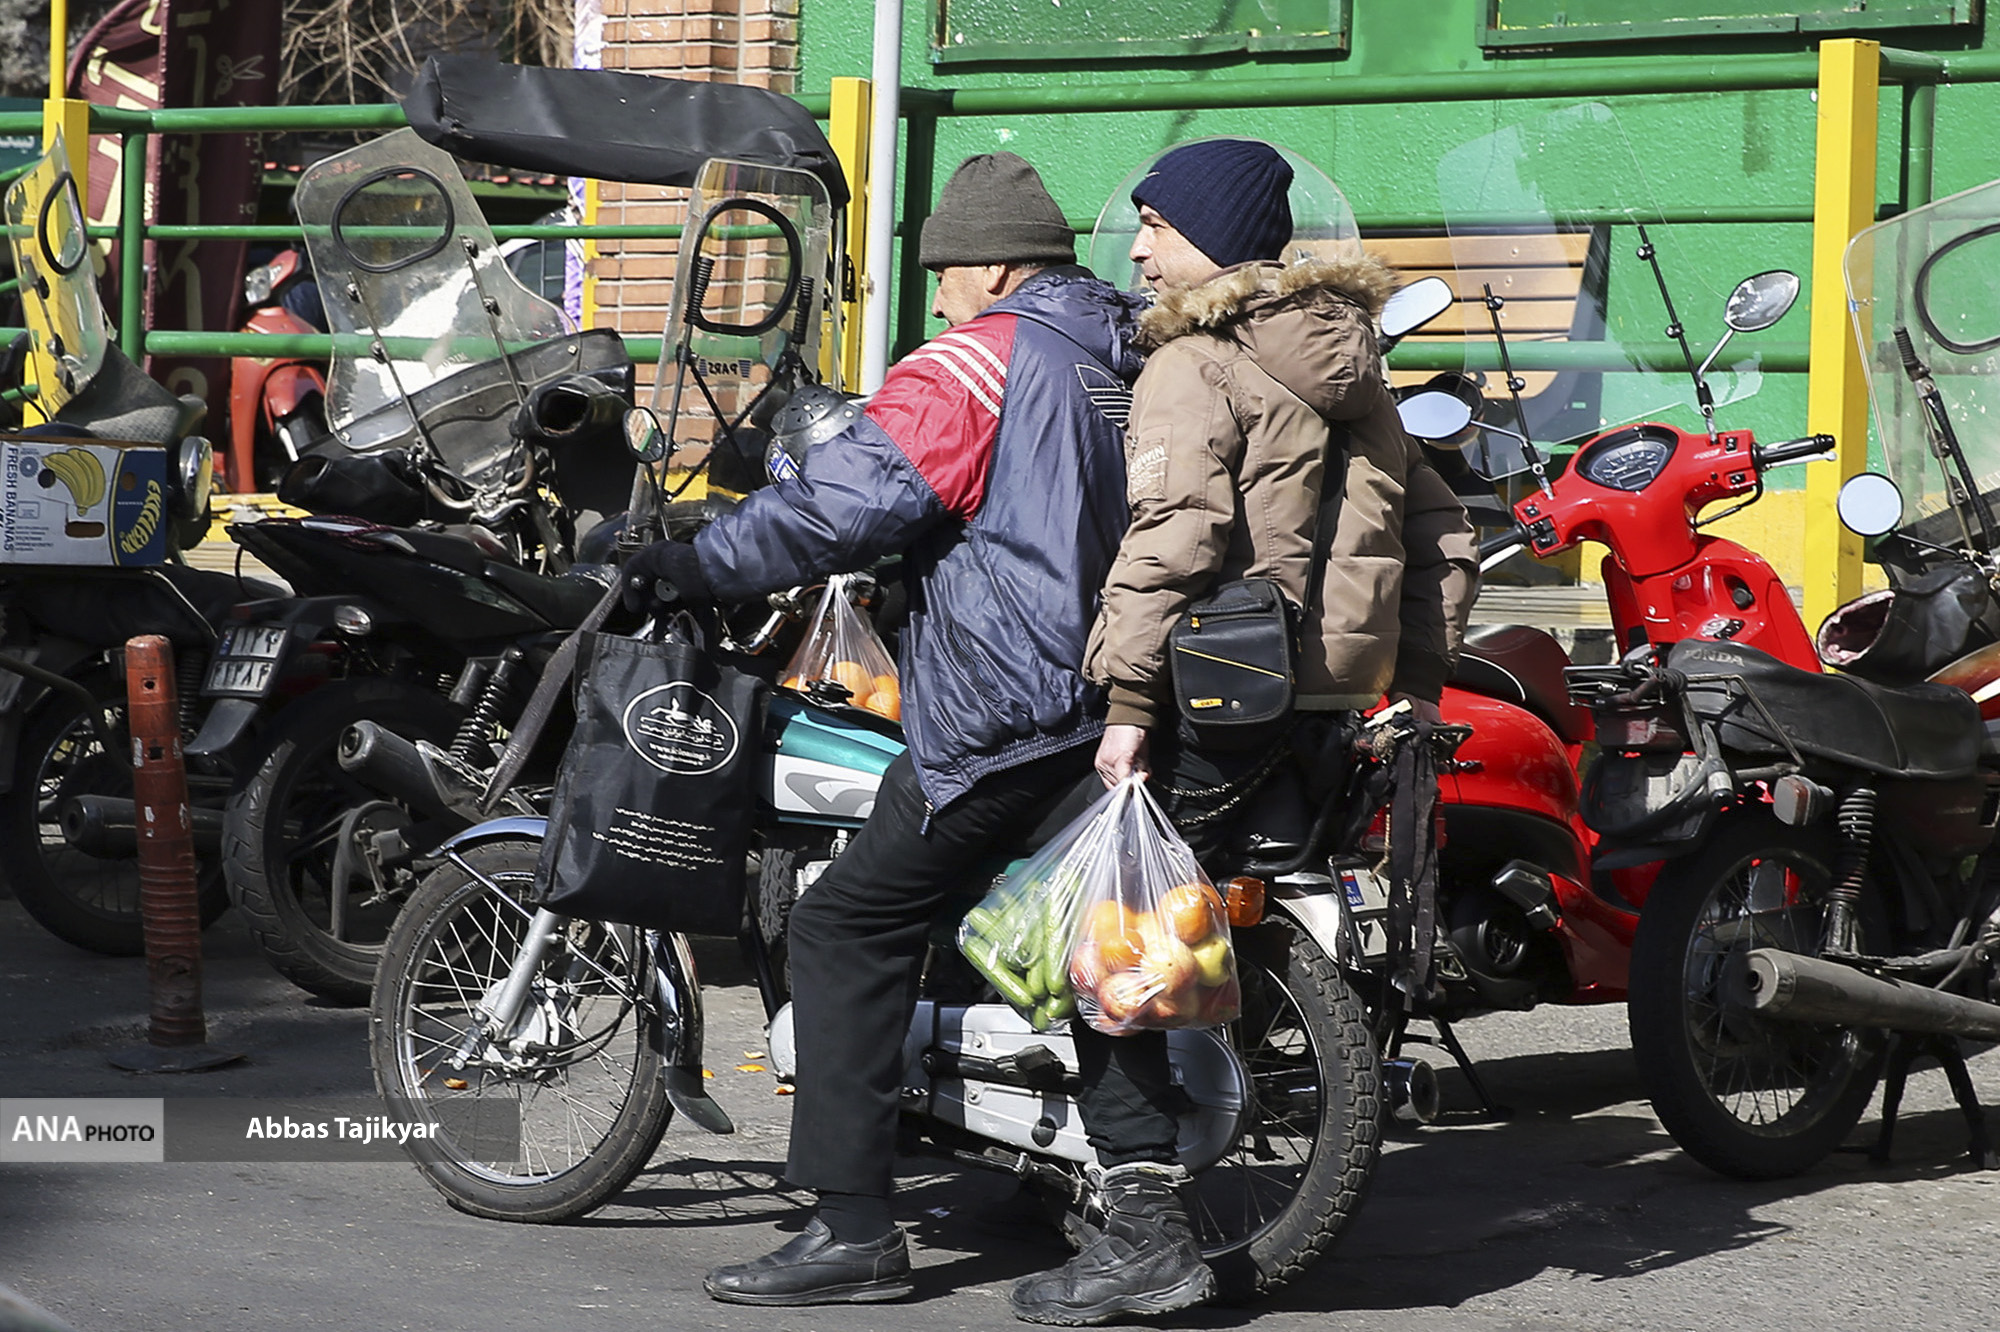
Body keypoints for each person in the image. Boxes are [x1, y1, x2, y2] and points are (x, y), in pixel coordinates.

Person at [618, 153, 1201, 1321]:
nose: (936, 298)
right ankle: (1130, 1211)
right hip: (1116, 700)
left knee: (842, 922)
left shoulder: (980, 358)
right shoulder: (1117, 351)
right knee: (1085, 939)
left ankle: (850, 1229)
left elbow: (840, 500)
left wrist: (689, 562)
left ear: (991, 267)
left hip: (1006, 709)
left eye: (943, 275)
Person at [1083, 138, 1478, 800]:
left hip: (1223, 690)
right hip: (1351, 703)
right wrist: (1420, 681)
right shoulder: (1362, 369)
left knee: (1138, 870)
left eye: (1155, 226)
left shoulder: (1194, 362)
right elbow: (1442, 533)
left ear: (1214, 233)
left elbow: (1175, 536)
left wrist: (1130, 704)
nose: (1138, 250)